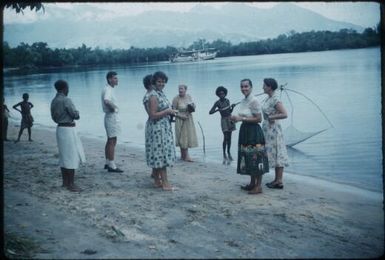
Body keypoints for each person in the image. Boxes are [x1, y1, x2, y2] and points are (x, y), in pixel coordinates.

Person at [230, 79, 269, 194]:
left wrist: (242, 118)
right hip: (245, 130)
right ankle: (252, 183)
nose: (244, 89)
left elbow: (259, 119)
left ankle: (258, 186)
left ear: (251, 87)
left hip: (254, 132)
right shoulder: (244, 100)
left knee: (257, 157)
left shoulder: (254, 101)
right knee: (248, 157)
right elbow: (244, 116)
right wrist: (235, 119)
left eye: (246, 86)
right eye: (242, 87)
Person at [143, 71, 177, 191]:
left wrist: (171, 113)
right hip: (157, 128)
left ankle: (157, 181)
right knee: (161, 155)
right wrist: (168, 112)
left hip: (162, 126)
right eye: (159, 81)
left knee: (158, 154)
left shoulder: (159, 93)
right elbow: (153, 115)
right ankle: (166, 184)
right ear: (154, 82)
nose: (161, 83)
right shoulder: (153, 95)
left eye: (163, 81)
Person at [50, 80, 86, 192]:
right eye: (68, 88)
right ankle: (71, 184)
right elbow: (75, 115)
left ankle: (65, 182)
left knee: (64, 156)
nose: (68, 90)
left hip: (60, 129)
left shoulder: (54, 100)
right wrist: (77, 112)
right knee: (71, 155)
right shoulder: (66, 100)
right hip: (68, 129)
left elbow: (54, 117)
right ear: (65, 88)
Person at [262, 78, 289, 189]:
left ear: (269, 87)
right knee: (274, 153)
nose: (262, 87)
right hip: (268, 130)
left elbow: (284, 114)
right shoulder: (269, 98)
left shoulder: (275, 99)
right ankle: (277, 180)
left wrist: (272, 117)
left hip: (274, 130)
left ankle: (279, 181)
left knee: (278, 153)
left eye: (264, 85)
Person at [101, 71, 123, 173]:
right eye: (115, 78)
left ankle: (107, 162)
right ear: (110, 79)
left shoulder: (108, 88)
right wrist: (114, 108)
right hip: (111, 117)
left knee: (110, 140)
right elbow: (106, 101)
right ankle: (112, 165)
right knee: (112, 141)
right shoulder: (108, 90)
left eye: (117, 78)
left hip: (109, 117)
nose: (117, 80)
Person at [142, 73, 160, 187]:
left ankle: (154, 172)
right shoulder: (149, 96)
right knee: (155, 149)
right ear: (150, 84)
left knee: (154, 148)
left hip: (152, 123)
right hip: (153, 124)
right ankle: (155, 173)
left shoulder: (150, 95)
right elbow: (151, 113)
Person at [209, 86, 236, 163]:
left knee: (230, 138)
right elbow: (210, 112)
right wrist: (217, 110)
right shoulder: (217, 103)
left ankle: (229, 152)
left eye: (223, 94)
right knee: (225, 137)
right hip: (224, 120)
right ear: (218, 95)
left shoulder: (227, 101)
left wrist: (233, 107)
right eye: (220, 94)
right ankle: (224, 154)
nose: (222, 95)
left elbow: (229, 111)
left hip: (230, 119)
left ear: (225, 94)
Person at [172, 84, 198, 162]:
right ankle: (186, 156)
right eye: (179, 89)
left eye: (182, 89)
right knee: (182, 136)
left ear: (185, 90)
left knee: (187, 136)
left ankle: (183, 156)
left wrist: (192, 107)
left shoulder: (189, 96)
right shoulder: (176, 99)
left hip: (188, 118)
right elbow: (173, 111)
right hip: (180, 119)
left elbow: (193, 106)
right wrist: (180, 116)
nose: (180, 90)